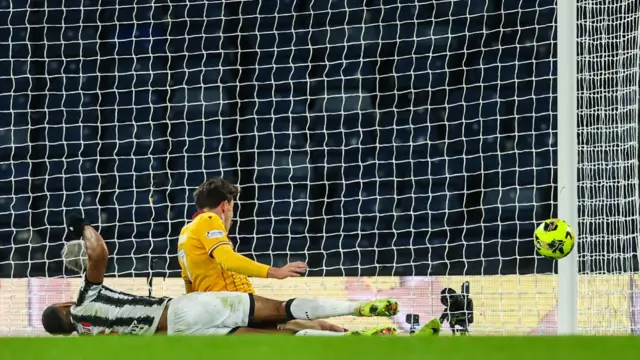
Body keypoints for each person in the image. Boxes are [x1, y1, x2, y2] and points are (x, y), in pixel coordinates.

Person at [45, 215, 400, 336]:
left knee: (283, 337)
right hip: (192, 306)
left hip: (181, 335)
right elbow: (99, 253)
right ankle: (360, 309)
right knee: (282, 312)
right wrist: (80, 225)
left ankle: (360, 339)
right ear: (65, 304)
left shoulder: (88, 339)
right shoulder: (84, 299)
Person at [177, 178, 342, 332]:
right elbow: (227, 259)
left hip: (215, 310)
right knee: (306, 322)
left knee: (303, 325)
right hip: (234, 302)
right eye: (232, 208)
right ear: (224, 206)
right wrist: (274, 272)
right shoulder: (209, 219)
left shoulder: (186, 233)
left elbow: (188, 280)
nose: (231, 215)